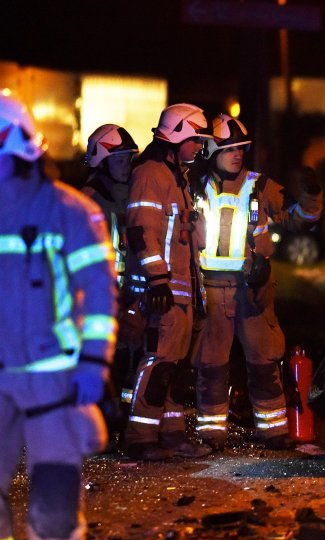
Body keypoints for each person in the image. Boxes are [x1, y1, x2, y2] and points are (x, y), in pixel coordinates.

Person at [0, 93, 117, 540]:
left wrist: (93, 363)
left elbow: (99, 292)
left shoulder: (68, 210)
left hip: (54, 376)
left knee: (53, 486)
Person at [190, 114, 322, 451]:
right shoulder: (193, 185)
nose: (237, 155)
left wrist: (311, 199)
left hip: (253, 291)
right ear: (211, 150)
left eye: (241, 149)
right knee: (211, 364)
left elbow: (298, 220)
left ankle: (273, 430)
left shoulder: (259, 185)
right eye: (229, 149)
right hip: (210, 288)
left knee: (264, 360)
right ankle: (211, 432)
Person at [122, 103, 213, 461]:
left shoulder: (177, 177)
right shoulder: (151, 174)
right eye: (195, 140)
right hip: (165, 291)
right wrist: (157, 279)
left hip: (182, 290)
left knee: (174, 366)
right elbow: (141, 230)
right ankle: (140, 437)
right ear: (178, 136)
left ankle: (172, 433)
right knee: (159, 361)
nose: (199, 148)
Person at [81, 125, 141, 414]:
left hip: (131, 293)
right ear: (101, 161)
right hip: (102, 295)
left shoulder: (134, 194)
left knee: (131, 360)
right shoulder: (89, 200)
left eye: (129, 159)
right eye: (119, 160)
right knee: (106, 362)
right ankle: (102, 423)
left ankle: (125, 421)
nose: (126, 166)